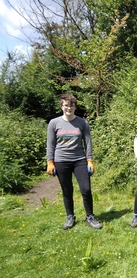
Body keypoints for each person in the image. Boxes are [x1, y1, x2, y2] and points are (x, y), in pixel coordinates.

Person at [46, 94, 102, 230]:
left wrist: (90, 160)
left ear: (75, 107)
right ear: (61, 106)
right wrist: (50, 162)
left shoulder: (82, 123)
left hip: (79, 160)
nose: (68, 108)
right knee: (67, 190)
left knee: (86, 189)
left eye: (71, 105)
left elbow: (88, 143)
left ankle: (90, 216)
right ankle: (70, 217)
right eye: (66, 105)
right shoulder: (54, 123)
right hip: (61, 161)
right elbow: (50, 144)